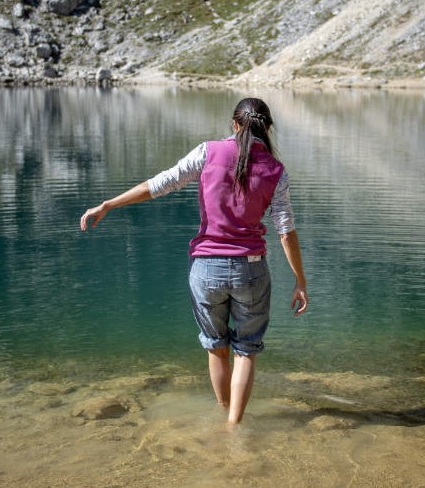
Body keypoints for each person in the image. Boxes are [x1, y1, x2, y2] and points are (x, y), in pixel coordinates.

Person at [80, 97, 309, 424]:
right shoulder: (276, 171)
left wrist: (109, 204)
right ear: (267, 128)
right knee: (246, 351)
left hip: (205, 269)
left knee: (217, 347)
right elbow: (285, 231)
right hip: (251, 270)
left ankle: (222, 416)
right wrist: (300, 281)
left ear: (234, 124)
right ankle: (234, 427)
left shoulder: (208, 152)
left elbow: (160, 184)